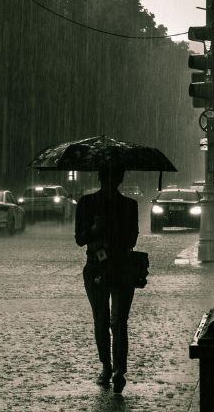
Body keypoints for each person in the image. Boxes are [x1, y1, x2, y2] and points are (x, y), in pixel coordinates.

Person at [74, 166, 139, 394]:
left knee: (115, 321)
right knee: (105, 320)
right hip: (100, 268)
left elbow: (131, 238)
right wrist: (95, 229)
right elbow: (80, 238)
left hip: (117, 268)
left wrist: (110, 231)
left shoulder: (128, 206)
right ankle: (110, 367)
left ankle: (115, 369)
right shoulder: (87, 204)